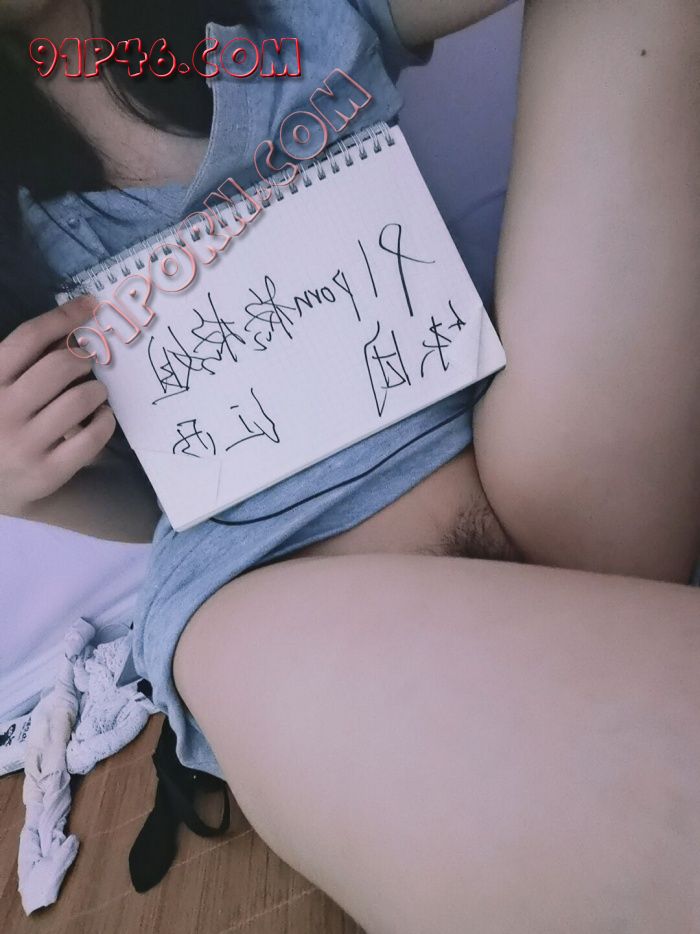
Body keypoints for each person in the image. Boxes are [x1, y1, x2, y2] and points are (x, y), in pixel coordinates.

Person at [0, 1, 698, 931]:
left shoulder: (267, 16)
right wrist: (20, 484)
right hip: (270, 584)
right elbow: (156, 494)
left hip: (512, 439)